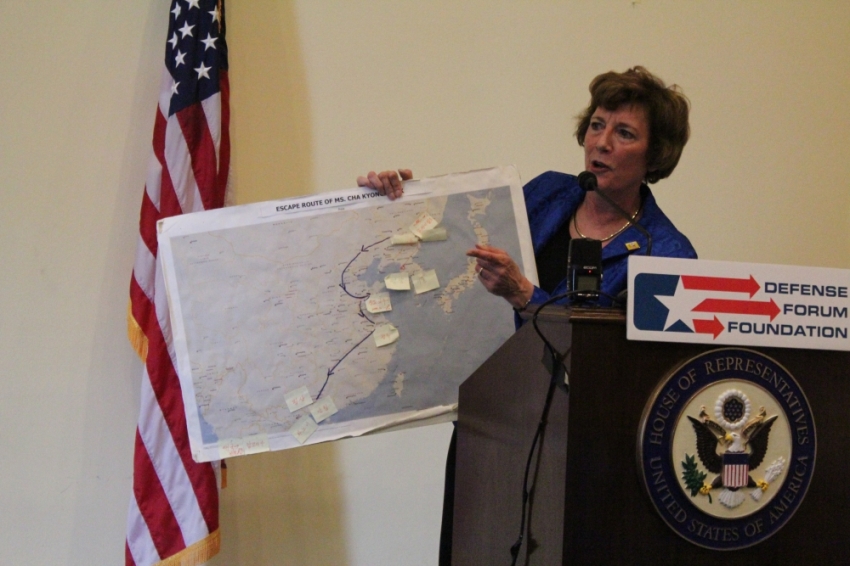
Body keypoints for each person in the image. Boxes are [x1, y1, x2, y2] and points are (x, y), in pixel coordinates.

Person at [358, 66, 696, 564]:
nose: (601, 142)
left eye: (623, 133)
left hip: (577, 458)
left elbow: (626, 377)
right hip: (488, 423)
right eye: (597, 125)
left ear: (655, 156)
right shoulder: (548, 194)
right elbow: (458, 245)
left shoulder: (667, 255)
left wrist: (527, 296)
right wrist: (395, 200)